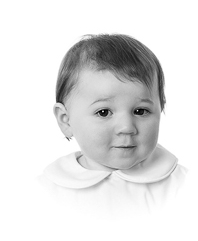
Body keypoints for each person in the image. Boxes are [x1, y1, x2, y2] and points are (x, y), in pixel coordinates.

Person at [41, 34, 186, 212]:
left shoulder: (183, 187)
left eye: (140, 111)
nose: (127, 128)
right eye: (103, 112)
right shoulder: (45, 193)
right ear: (66, 120)